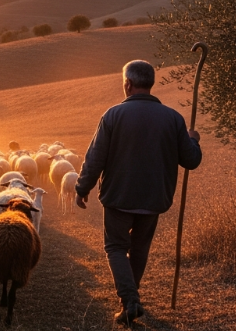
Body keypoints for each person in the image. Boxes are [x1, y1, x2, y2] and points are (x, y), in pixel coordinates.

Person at [75, 60, 202, 325]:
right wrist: (193, 140)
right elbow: (191, 160)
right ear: (150, 83)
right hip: (154, 199)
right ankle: (130, 301)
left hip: (119, 197)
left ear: (127, 84)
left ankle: (130, 301)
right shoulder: (173, 118)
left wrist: (82, 188)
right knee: (140, 247)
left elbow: (95, 158)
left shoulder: (112, 115)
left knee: (116, 247)